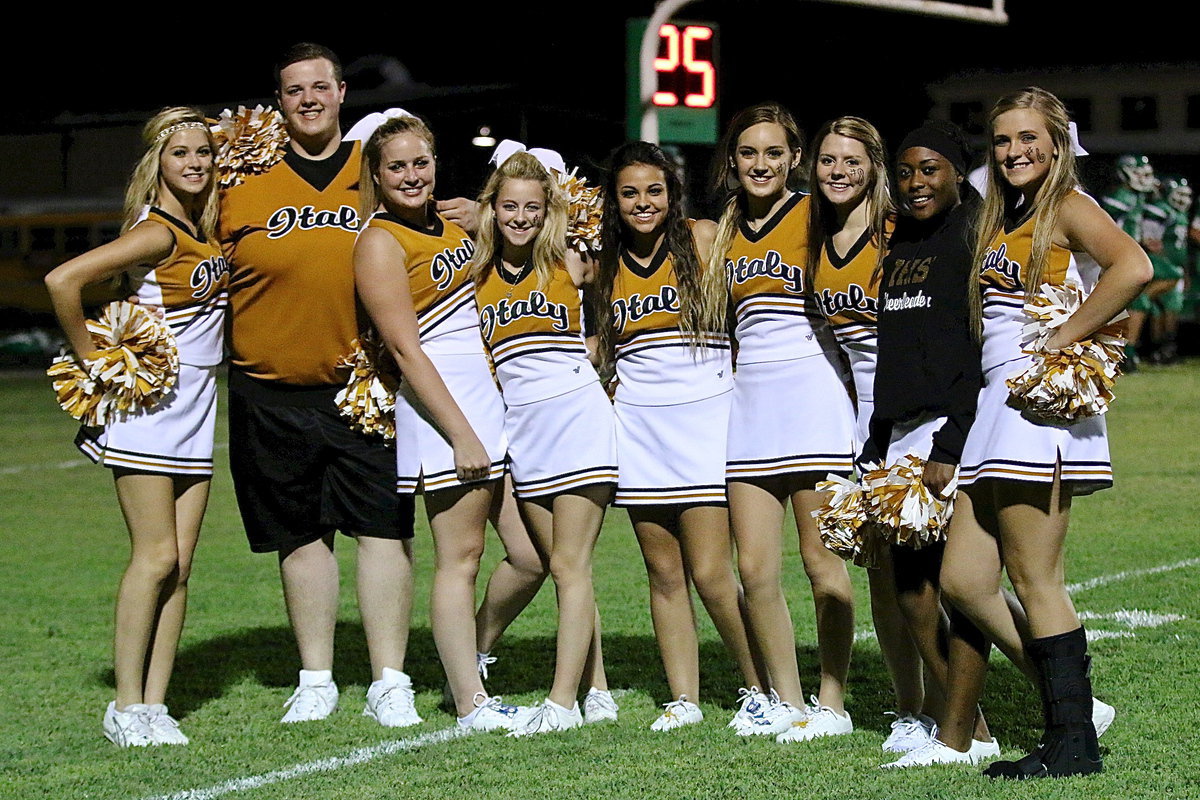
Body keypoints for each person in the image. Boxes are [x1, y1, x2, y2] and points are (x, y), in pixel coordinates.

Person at [938, 87, 1150, 778]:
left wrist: (1064, 336)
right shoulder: (1008, 215)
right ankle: (1079, 714)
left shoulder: (1068, 206)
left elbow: (1134, 266)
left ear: (1058, 144)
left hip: (1037, 409)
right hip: (997, 407)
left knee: (1037, 578)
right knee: (965, 579)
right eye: (1002, 141)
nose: (1014, 152)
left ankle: (1071, 743)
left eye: (1029, 139)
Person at [219, 43, 417, 725]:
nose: (308, 98)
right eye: (294, 89)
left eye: (320, 87)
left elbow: (439, 220)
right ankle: (317, 678)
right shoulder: (241, 180)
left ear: (340, 94)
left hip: (364, 387)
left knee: (383, 530)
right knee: (299, 537)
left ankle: (391, 679)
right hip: (267, 389)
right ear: (280, 101)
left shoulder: (375, 171)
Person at [45, 107, 225, 746]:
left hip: (196, 412)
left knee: (181, 565)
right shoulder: (156, 232)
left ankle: (155, 705)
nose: (195, 162)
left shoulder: (197, 228)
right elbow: (63, 279)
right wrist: (91, 359)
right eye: (181, 154)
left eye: (204, 151)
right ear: (159, 163)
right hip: (149, 413)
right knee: (155, 557)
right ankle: (124, 707)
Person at [352, 113, 533, 730]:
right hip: (441, 404)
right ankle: (469, 703)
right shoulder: (379, 243)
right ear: (375, 175)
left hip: (490, 397)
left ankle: (472, 652)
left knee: (534, 554)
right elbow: (404, 349)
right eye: (396, 166)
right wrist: (460, 433)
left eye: (420, 162)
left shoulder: (449, 223)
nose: (410, 175)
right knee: (461, 556)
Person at [590, 141, 767, 730]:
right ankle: (684, 698)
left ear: (673, 193)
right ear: (614, 201)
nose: (644, 203)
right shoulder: (604, 262)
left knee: (713, 573)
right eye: (630, 192)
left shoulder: (706, 238)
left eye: (654, 191)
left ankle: (757, 687)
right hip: (639, 423)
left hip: (706, 418)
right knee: (663, 574)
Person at [701, 103, 858, 741]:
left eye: (773, 153)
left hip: (815, 395)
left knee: (824, 565)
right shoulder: (723, 230)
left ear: (795, 158)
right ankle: (788, 701)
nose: (760, 164)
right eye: (748, 153)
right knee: (756, 569)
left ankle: (833, 699)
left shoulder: (817, 213)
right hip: (750, 406)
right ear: (733, 162)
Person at [861, 121, 1001, 767]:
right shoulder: (904, 239)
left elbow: (981, 348)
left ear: (957, 172)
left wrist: (953, 439)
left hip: (952, 430)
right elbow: (898, 350)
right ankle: (969, 727)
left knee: (955, 583)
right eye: (907, 171)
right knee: (912, 592)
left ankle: (997, 721)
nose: (917, 183)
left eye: (931, 169)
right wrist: (878, 436)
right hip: (902, 433)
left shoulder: (974, 237)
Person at [471, 151, 617, 735]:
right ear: (493, 208)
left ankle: (560, 705)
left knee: (569, 565)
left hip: (580, 422)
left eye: (533, 206)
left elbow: (628, 289)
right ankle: (597, 686)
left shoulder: (571, 261)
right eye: (510, 205)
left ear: (549, 210)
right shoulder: (475, 273)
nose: (521, 217)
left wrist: (603, 352)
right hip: (524, 435)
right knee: (564, 566)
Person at [803, 115, 927, 745]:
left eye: (852, 160)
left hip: (922, 412)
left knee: (939, 575)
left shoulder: (899, 232)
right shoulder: (817, 239)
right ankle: (912, 710)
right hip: (865, 424)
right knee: (882, 573)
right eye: (828, 159)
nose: (839, 171)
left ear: (875, 167)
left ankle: (1045, 687)